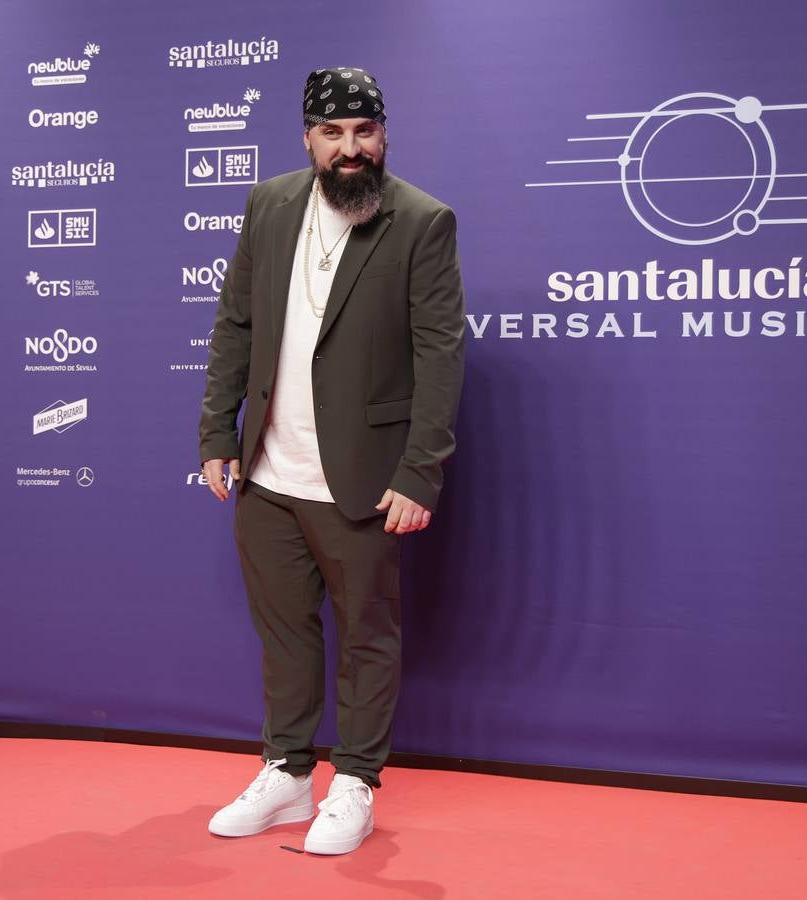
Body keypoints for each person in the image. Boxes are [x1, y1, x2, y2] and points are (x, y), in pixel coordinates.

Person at [197, 66, 465, 855]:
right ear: (308, 138)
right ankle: (286, 773)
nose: (350, 149)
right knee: (283, 635)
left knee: (365, 637)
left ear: (383, 135)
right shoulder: (269, 203)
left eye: (364, 131)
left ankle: (354, 782)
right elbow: (235, 323)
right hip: (268, 472)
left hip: (363, 477)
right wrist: (216, 433)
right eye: (332, 132)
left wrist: (418, 470)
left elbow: (440, 355)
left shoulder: (421, 221)